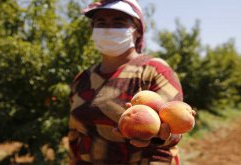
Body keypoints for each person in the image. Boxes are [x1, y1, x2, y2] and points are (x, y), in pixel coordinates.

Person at [68, 0, 195, 164]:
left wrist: (157, 136)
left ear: (136, 30)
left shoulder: (154, 70)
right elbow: (74, 134)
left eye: (118, 22)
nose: (108, 28)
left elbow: (173, 127)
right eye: (101, 22)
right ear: (92, 28)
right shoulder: (82, 79)